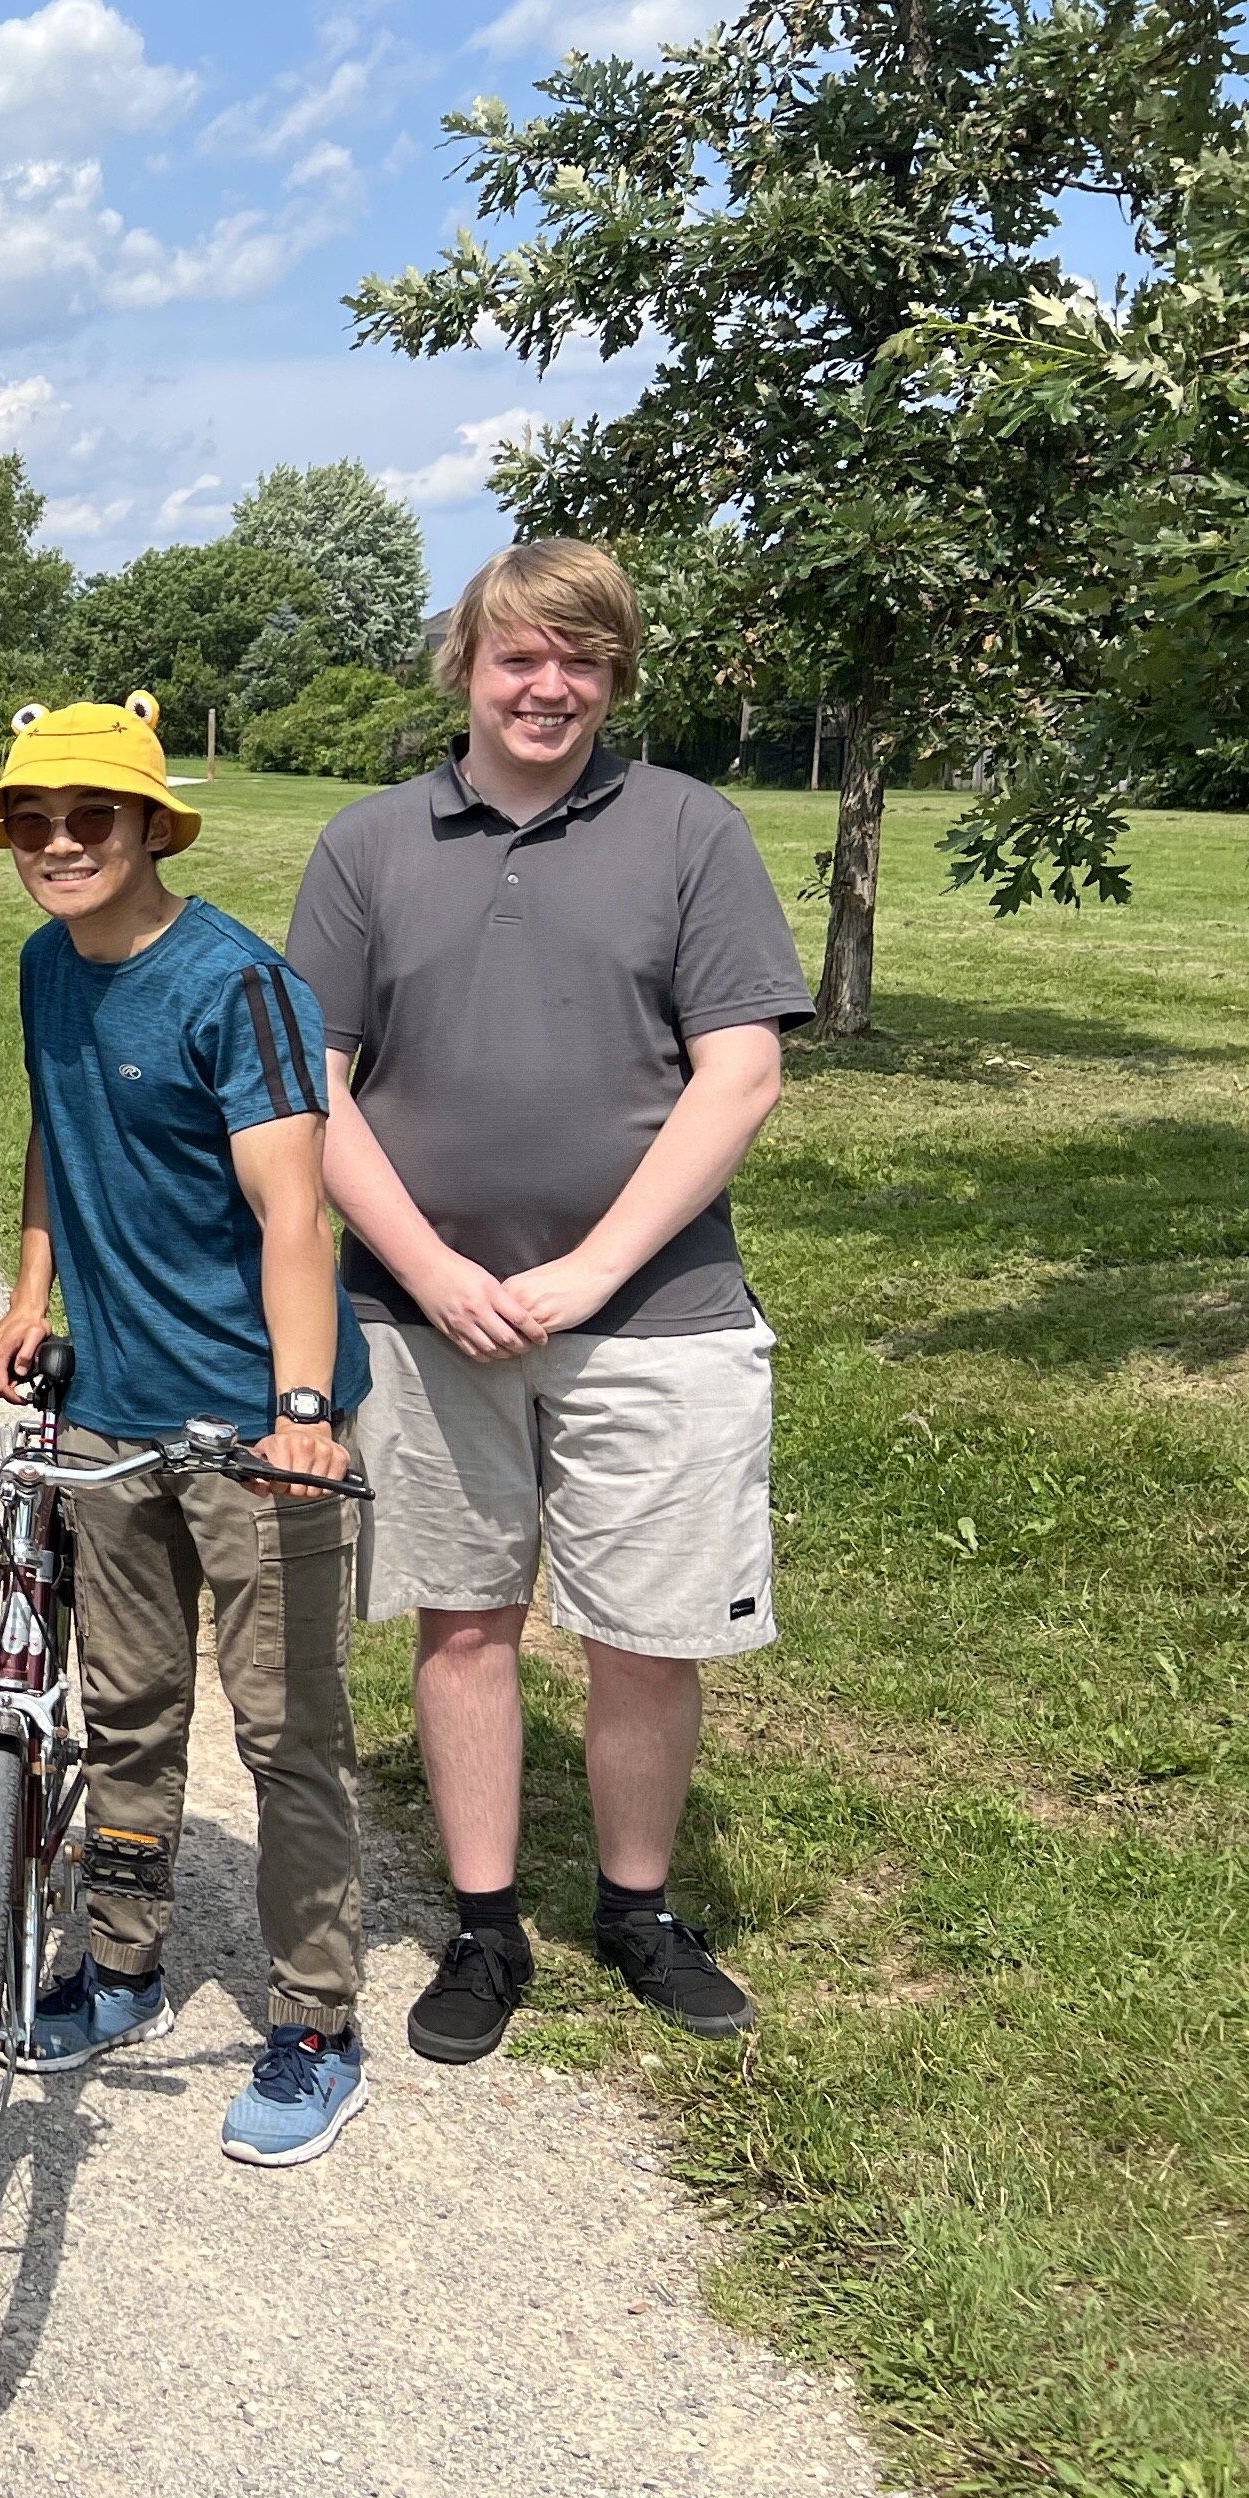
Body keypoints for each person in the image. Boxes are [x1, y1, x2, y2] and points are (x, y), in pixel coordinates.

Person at [286, 540, 807, 2063]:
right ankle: (484, 1922)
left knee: (650, 1633)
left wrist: (589, 1270)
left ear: (615, 675)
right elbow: (311, 1084)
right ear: (468, 663)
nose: (550, 686)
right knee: (466, 1622)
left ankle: (639, 1908)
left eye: (582, 659)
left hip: (661, 1311)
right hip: (423, 1309)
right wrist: (435, 1270)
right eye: (521, 655)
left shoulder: (689, 830)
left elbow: (743, 1069)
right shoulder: (370, 844)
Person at [0, 691, 377, 2168]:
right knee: (126, 1713)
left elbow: (294, 1213)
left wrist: (304, 1412)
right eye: (35, 820)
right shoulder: (44, 968)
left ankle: (317, 2023)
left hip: (258, 1428)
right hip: (109, 1416)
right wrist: (29, 1294)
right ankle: (124, 1963)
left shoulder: (237, 984)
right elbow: (53, 1141)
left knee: (286, 1734)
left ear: (150, 827)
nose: (61, 843)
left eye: (92, 818)